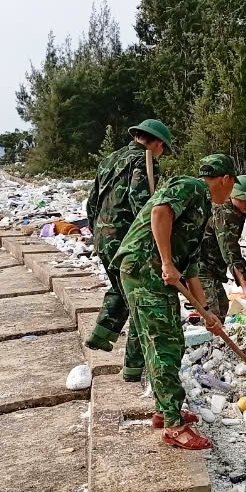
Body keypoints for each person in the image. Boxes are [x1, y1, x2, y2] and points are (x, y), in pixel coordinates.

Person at [113, 154, 237, 451]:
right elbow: (160, 212)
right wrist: (167, 262)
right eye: (232, 187)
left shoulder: (202, 206)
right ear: (226, 180)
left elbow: (191, 263)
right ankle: (174, 426)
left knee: (166, 342)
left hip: (154, 274)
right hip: (146, 269)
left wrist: (206, 312)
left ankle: (164, 411)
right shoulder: (191, 187)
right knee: (164, 344)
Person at [84, 119, 174, 382]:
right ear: (157, 143)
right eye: (163, 148)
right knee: (141, 297)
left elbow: (92, 201)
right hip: (128, 241)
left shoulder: (109, 160)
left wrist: (97, 231)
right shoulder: (143, 161)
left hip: (102, 235)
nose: (161, 153)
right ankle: (135, 368)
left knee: (120, 287)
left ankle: (101, 333)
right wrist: (157, 244)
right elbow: (143, 205)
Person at [197, 174, 246, 320]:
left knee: (222, 305)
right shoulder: (224, 213)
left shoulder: (238, 210)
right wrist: (245, 285)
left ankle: (214, 340)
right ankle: (206, 339)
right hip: (200, 266)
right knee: (212, 312)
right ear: (233, 195)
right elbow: (229, 250)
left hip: (213, 267)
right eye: (244, 200)